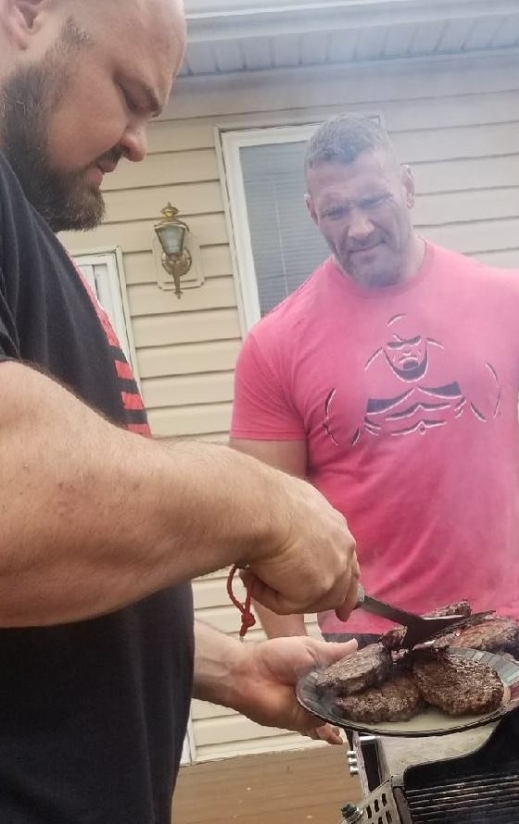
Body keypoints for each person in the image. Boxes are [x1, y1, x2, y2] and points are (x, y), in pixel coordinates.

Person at [0, 2, 361, 821]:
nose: (138, 141)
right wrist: (265, 502)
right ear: (25, 14)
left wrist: (221, 666)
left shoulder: (26, 232)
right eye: (127, 94)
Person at [230, 114, 519, 646]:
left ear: (407, 187)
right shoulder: (275, 344)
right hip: (372, 638)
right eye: (336, 210)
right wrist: (296, 661)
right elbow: (264, 520)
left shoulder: (512, 300)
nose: (357, 226)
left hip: (514, 621)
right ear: (311, 212)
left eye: (373, 200)